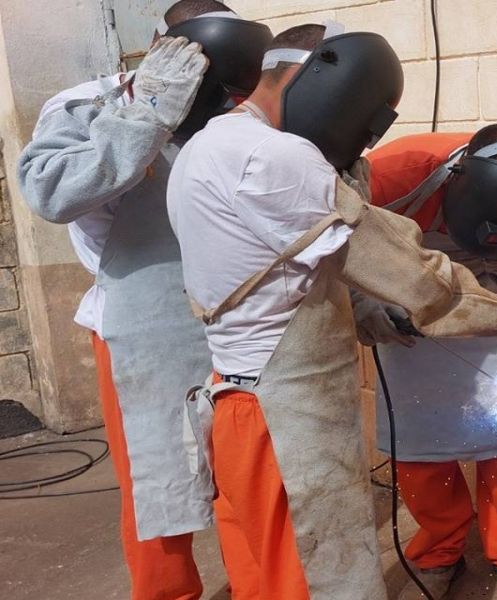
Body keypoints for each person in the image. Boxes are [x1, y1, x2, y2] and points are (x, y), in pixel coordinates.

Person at [166, 24, 497, 599]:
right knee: (324, 580)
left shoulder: (206, 146)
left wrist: (361, 307)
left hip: (241, 401)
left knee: (265, 578)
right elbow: (412, 274)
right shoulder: (275, 155)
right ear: (324, 79)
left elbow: (285, 267)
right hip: (286, 424)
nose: (364, 143)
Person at [16, 3, 270, 599]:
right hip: (140, 329)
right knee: (156, 482)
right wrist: (148, 108)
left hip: (235, 322)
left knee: (247, 479)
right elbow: (52, 192)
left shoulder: (237, 109)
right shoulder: (83, 104)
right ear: (162, 46)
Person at [361, 124, 497, 599]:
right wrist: (367, 302)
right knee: (419, 442)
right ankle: (438, 548)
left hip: (489, 307)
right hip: (406, 310)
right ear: (458, 187)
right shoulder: (390, 177)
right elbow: (336, 243)